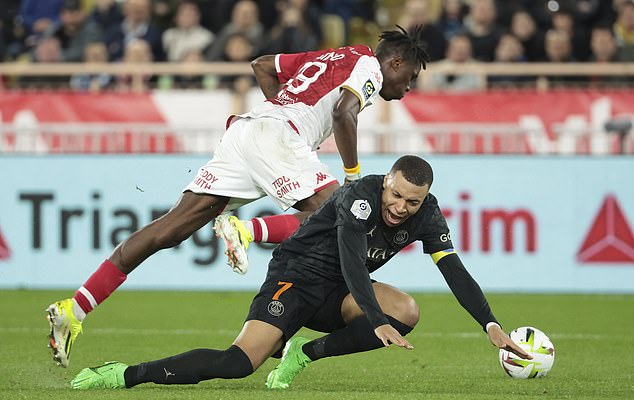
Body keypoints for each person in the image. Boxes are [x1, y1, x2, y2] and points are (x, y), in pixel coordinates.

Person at [46, 26, 431, 368]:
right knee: (345, 212)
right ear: (394, 62)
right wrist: (352, 177)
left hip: (248, 131)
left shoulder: (332, 55)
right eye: (410, 77)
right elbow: (345, 113)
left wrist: (281, 110)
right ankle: (245, 234)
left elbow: (263, 65)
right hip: (277, 137)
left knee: (168, 231)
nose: (408, 87)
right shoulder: (368, 66)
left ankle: (74, 309)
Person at [68, 155, 532, 390]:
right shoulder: (361, 195)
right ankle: (124, 374)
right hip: (297, 276)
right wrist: (374, 318)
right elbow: (351, 260)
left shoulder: (427, 215)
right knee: (237, 364)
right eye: (397, 196)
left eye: (412, 202)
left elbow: (454, 270)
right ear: (387, 181)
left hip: (340, 292)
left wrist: (489, 323)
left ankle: (303, 354)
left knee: (407, 310)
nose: (401, 208)